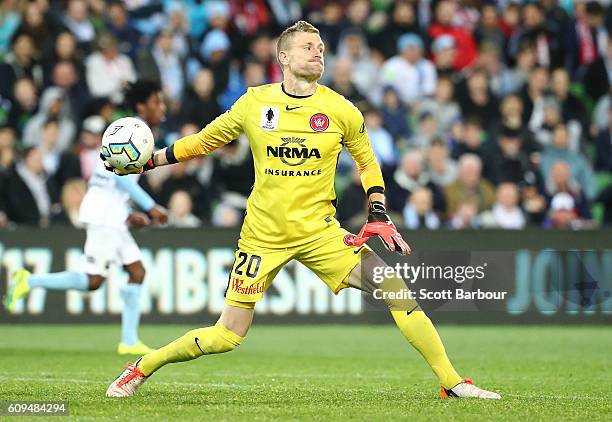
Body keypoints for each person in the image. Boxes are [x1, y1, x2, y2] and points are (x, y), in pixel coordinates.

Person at [103, 21, 500, 400]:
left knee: (394, 288)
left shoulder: (342, 109)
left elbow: (367, 162)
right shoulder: (255, 103)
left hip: (319, 232)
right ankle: (143, 365)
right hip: (263, 236)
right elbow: (205, 141)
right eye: (308, 47)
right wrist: (151, 161)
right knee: (226, 335)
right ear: (284, 58)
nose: (318, 53)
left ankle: (451, 382)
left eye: (322, 48)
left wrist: (377, 209)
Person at [3, 81, 169, 356]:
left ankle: (129, 340)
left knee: (136, 271)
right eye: (156, 102)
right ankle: (28, 281)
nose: (161, 108)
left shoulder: (131, 131)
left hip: (112, 213)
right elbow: (120, 176)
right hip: (103, 215)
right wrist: (151, 206)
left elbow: (108, 179)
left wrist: (128, 214)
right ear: (142, 106)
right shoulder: (131, 132)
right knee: (93, 280)